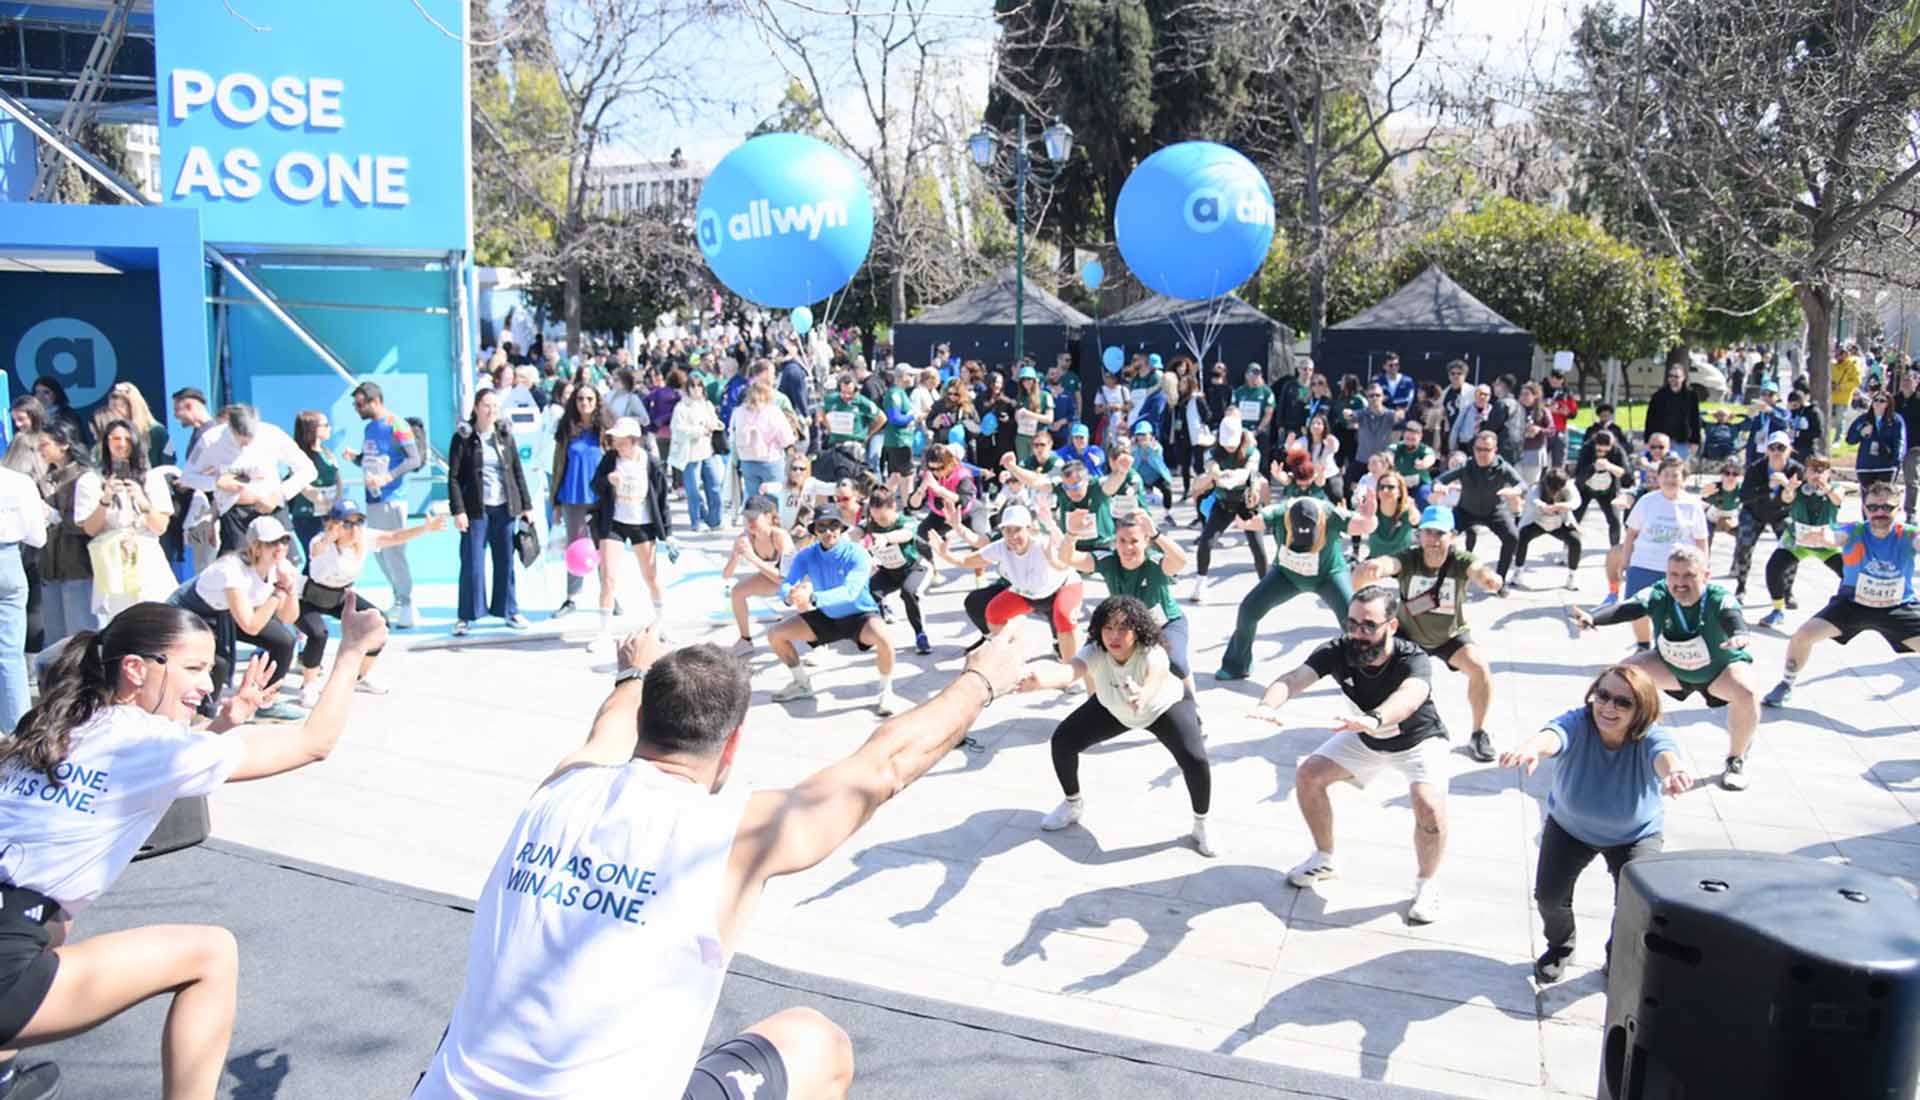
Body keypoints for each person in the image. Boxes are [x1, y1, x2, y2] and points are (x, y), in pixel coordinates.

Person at [412, 617, 1026, 1100]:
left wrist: (633, 671)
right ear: (732, 744)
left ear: (644, 719)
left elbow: (608, 728)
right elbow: (885, 764)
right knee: (818, 1045)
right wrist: (981, 681)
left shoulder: (563, 784)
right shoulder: (732, 835)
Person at [0, 598, 384, 1100]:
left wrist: (226, 723)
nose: (207, 683)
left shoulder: (54, 728)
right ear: (135, 669)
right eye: (194, 668)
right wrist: (352, 651)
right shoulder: (150, 745)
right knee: (212, 954)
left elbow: (148, 769)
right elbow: (312, 742)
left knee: (53, 919)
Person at [1251, 584, 1449, 924]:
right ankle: (1324, 858)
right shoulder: (1338, 650)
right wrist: (1267, 705)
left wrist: (1374, 719)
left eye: (1368, 626)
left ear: (1392, 626)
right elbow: (1295, 678)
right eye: (1352, 623)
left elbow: (1411, 695)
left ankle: (1427, 884)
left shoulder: (1412, 657)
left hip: (1418, 741)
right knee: (1309, 775)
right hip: (1364, 736)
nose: (1358, 634)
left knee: (1428, 806)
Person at [1498, 663, 1692, 983]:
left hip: (1635, 836)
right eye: (1603, 695)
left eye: (1623, 702)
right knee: (1549, 897)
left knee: (1635, 907)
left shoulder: (1650, 736)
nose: (1608, 707)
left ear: (1641, 709)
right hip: (1569, 828)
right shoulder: (1579, 721)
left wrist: (1673, 772)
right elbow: (1553, 736)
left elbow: (1665, 755)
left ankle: (1617, 959)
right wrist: (1532, 748)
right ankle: (1561, 946)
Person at [1018, 595, 1214, 855]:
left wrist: (1143, 694)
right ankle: (1073, 804)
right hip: (1114, 707)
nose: (1114, 636)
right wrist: (1040, 682)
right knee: (1062, 742)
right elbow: (1071, 670)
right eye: (1108, 628)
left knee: (1196, 759)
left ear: (1137, 630)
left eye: (1123, 628)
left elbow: (1157, 673)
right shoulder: (1096, 649)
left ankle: (1202, 824)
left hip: (1163, 707)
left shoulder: (1151, 649)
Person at [1568, 545, 1760, 791]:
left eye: (1689, 575)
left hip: (1718, 671)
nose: (1680, 583)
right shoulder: (1658, 593)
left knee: (1747, 691)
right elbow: (1627, 609)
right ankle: (1614, 741)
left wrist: (1739, 634)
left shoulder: (1719, 597)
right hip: (1671, 668)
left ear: (1705, 576)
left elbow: (1732, 617)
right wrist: (1594, 618)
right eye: (1673, 575)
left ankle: (1736, 759)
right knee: (1621, 677)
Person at [1353, 505, 1504, 762]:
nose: (1433, 540)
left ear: (1452, 536)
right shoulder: (1410, 558)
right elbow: (1391, 563)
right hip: (1409, 635)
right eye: (1428, 532)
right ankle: (1377, 723)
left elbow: (1478, 569)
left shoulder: (1461, 560)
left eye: (1439, 533)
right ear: (1419, 535)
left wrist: (1489, 578)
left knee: (1480, 667)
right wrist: (1376, 566)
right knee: (1372, 664)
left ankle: (1479, 733)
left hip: (1450, 635)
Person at [1763, 480, 1920, 709]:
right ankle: (1786, 684)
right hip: (1852, 604)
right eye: (1873, 507)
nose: (1879, 512)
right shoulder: (1854, 530)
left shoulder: (1907, 534)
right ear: (1865, 508)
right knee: (1802, 637)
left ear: (1898, 509)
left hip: (1898, 607)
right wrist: (1822, 537)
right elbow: (1833, 536)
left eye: (1887, 507)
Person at [1215, 493, 1377, 681]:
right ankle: (1237, 665)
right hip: (1287, 575)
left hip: (1328, 576)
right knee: (1248, 610)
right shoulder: (1279, 512)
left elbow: (1365, 526)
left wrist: (1370, 516)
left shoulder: (1331, 514)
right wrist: (1245, 511)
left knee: (1355, 619)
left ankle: (1368, 673)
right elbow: (1248, 523)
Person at [167, 516, 305, 721]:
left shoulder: (281, 567)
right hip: (191, 611)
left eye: (284, 541)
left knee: (284, 641)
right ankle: (199, 715)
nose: (280, 547)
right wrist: (278, 592)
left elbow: (288, 617)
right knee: (218, 662)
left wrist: (289, 588)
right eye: (272, 543)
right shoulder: (232, 570)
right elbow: (250, 626)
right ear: (256, 547)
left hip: (226, 611)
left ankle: (266, 702)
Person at [767, 511, 901, 716]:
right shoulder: (806, 555)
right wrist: (789, 596)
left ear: (842, 528)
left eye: (833, 526)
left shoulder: (857, 553)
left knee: (885, 639)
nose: (828, 532)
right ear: (815, 530)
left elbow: (850, 592)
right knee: (775, 634)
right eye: (822, 527)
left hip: (860, 616)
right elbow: (788, 582)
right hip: (826, 616)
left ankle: (886, 691)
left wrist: (812, 597)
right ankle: (801, 683)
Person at [935, 504, 1084, 665]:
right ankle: (1012, 655)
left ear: (1029, 529)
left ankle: (1070, 670)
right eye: (1007, 530)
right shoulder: (1000, 547)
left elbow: (1063, 566)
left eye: (1017, 529)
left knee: (1063, 619)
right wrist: (946, 555)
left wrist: (1052, 559)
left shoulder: (1042, 544)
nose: (1012, 536)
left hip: (1062, 587)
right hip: (1029, 593)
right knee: (994, 613)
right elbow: (966, 560)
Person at [178, 404, 316, 561]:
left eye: (251, 439)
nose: (246, 445)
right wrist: (216, 482)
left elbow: (308, 470)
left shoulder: (273, 434)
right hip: (236, 515)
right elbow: (187, 477)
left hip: (272, 508)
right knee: (240, 565)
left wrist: (280, 494)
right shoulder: (210, 440)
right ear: (230, 427)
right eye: (241, 440)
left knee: (285, 562)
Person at [448, 389, 535, 636]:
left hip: (505, 508)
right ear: (476, 407)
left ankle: (509, 609)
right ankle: (467, 615)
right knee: (472, 563)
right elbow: (453, 477)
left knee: (506, 561)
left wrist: (526, 506)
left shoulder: (504, 435)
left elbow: (517, 471)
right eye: (487, 405)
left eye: (495, 405)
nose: (492, 410)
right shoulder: (463, 437)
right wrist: (458, 510)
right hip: (476, 510)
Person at [343, 382, 424, 629]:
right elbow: (372, 460)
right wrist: (356, 458)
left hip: (392, 498)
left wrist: (389, 477)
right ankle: (399, 598)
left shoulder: (396, 424)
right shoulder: (370, 428)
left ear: (375, 401)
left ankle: (408, 603)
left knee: (394, 553)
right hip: (373, 498)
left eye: (360, 403)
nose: (356, 408)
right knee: (379, 552)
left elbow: (414, 459)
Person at [588, 418, 673, 653]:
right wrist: (608, 480)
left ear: (634, 440)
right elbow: (594, 485)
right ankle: (604, 632)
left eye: (621, 440)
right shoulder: (610, 459)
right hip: (613, 522)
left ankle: (661, 623)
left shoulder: (650, 462)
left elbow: (662, 499)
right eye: (615, 439)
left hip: (642, 524)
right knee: (608, 577)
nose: (617, 444)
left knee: (651, 577)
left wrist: (668, 533)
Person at [1609, 456, 1709, 645]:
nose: (1670, 479)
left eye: (1675, 475)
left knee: (1672, 612)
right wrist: (1625, 560)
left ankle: (1665, 647)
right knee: (1637, 609)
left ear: (1683, 479)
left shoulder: (1692, 505)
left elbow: (1701, 540)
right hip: (1643, 564)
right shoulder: (1647, 501)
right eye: (1666, 475)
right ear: (1659, 477)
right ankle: (1643, 645)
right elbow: (1631, 534)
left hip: (1677, 570)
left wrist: (1703, 569)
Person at [88, 418, 177, 621]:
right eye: (115, 439)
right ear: (106, 442)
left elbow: (160, 527)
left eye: (128, 439)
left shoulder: (152, 478)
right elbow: (90, 529)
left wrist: (143, 501)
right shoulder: (91, 480)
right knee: (122, 621)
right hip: (113, 560)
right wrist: (105, 499)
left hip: (147, 558)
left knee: (156, 618)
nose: (121, 444)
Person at [1758, 455, 1845, 628]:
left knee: (1848, 574)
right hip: (1797, 541)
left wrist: (1826, 487)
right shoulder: (1798, 488)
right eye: (1812, 470)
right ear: (1805, 472)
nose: (1816, 474)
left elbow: (1838, 499)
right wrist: (1789, 488)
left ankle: (1843, 611)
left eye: (1821, 470)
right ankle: (1777, 610)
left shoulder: (1836, 488)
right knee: (1774, 568)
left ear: (1828, 473)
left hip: (1825, 543)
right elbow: (1786, 498)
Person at [36, 425, 103, 651]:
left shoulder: (84, 478)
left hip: (78, 565)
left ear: (64, 444)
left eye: (45, 445)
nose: (41, 450)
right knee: (56, 640)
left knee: (81, 635)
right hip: (50, 566)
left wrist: (56, 516)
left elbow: (88, 523)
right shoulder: (46, 479)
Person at [1188, 413, 1266, 604]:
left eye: (1233, 443)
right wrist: (1216, 475)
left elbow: (1249, 471)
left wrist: (1236, 476)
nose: (1230, 447)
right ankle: (1200, 584)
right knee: (1206, 542)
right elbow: (1211, 467)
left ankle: (1265, 589)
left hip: (1246, 502)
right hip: (1223, 503)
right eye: (1226, 443)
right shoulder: (1212, 452)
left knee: (1257, 546)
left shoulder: (1252, 451)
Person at [1431, 431, 1525, 584]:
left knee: (1512, 536)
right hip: (1465, 511)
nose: (1481, 454)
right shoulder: (1466, 466)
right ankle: (1440, 577)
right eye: (1478, 449)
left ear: (1495, 450)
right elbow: (1439, 480)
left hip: (1494, 511)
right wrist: (1438, 487)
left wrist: (1515, 491)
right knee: (1441, 535)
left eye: (1487, 450)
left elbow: (1522, 484)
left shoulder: (1502, 467)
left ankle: (1499, 581)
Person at [551, 385, 610, 619]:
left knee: (604, 548)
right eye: (580, 399)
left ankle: (609, 594)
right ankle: (572, 598)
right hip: (572, 497)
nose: (585, 403)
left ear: (597, 402)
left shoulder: (605, 430)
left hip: (600, 499)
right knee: (575, 548)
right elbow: (558, 467)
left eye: (589, 399)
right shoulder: (566, 429)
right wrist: (555, 504)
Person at [1729, 432, 1804, 600]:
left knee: (1792, 547)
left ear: (1789, 450)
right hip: (1754, 512)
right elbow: (1744, 496)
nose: (1776, 452)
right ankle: (1741, 586)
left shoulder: (1796, 470)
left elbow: (1801, 499)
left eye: (1781, 448)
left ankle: (1788, 591)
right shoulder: (1756, 468)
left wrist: (1788, 487)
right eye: (1772, 448)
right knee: (1744, 545)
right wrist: (1768, 486)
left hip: (1782, 513)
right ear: (1766, 450)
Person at [0, 463, 46, 731]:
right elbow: (37, 537)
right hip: (8, 559)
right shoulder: (19, 482)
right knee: (10, 654)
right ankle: (18, 731)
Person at [723, 495, 797, 656]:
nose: (750, 522)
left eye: (754, 517)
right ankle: (745, 640)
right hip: (774, 578)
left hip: (799, 578)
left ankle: (820, 643)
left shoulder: (780, 536)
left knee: (803, 598)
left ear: (768, 517)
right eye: (747, 517)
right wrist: (736, 555)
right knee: (737, 592)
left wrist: (752, 558)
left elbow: (785, 579)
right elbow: (726, 575)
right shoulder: (745, 538)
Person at [670, 371, 726, 532]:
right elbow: (678, 429)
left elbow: (715, 422)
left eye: (699, 386)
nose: (696, 389)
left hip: (708, 451)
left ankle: (715, 520)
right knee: (693, 490)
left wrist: (714, 425)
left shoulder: (707, 405)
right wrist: (700, 430)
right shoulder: (681, 407)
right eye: (693, 386)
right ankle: (697, 520)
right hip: (690, 454)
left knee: (714, 485)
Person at [1513, 466, 1582, 590]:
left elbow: (1576, 501)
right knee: (1522, 537)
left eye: (1558, 489)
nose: (1554, 493)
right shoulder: (1536, 488)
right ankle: (1518, 573)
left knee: (1575, 541)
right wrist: (1544, 506)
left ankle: (1572, 576)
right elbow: (1532, 499)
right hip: (1537, 522)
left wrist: (1563, 505)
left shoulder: (1569, 487)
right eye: (1552, 489)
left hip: (1559, 523)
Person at [287, 410, 341, 567]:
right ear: (313, 429)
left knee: (331, 558)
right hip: (307, 516)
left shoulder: (327, 452)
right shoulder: (299, 456)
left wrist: (336, 501)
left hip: (329, 515)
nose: (329, 428)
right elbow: (302, 486)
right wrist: (322, 500)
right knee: (314, 558)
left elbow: (337, 478)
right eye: (325, 425)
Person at [1644, 361, 1704, 463]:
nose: (1673, 379)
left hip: (1682, 442)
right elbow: (1650, 420)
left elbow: (1695, 420)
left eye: (1676, 376)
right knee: (1662, 469)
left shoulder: (1691, 396)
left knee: (1679, 468)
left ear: (1683, 378)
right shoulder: (1658, 396)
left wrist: (1695, 441)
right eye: (1670, 376)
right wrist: (1647, 440)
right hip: (1661, 441)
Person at [1848, 390, 1906, 491]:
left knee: (1884, 497)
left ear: (1888, 404)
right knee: (1868, 498)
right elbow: (1850, 440)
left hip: (1886, 467)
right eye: (1875, 400)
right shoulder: (1863, 419)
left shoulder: (1896, 420)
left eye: (1882, 401)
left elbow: (1900, 442)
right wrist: (1861, 432)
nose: (1878, 403)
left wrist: (1895, 462)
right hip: (1865, 466)